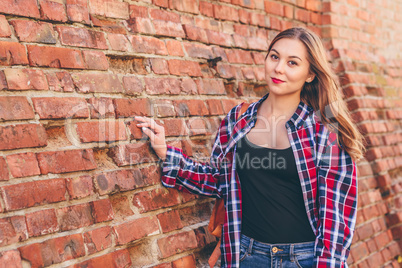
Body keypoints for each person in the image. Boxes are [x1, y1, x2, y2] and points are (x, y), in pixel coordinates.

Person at [135, 27, 364, 268]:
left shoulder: (323, 132)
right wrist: (165, 152)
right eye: (274, 57)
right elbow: (217, 179)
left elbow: (336, 218)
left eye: (292, 63)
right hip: (245, 255)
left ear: (310, 74)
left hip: (303, 259)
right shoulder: (239, 118)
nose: (279, 68)